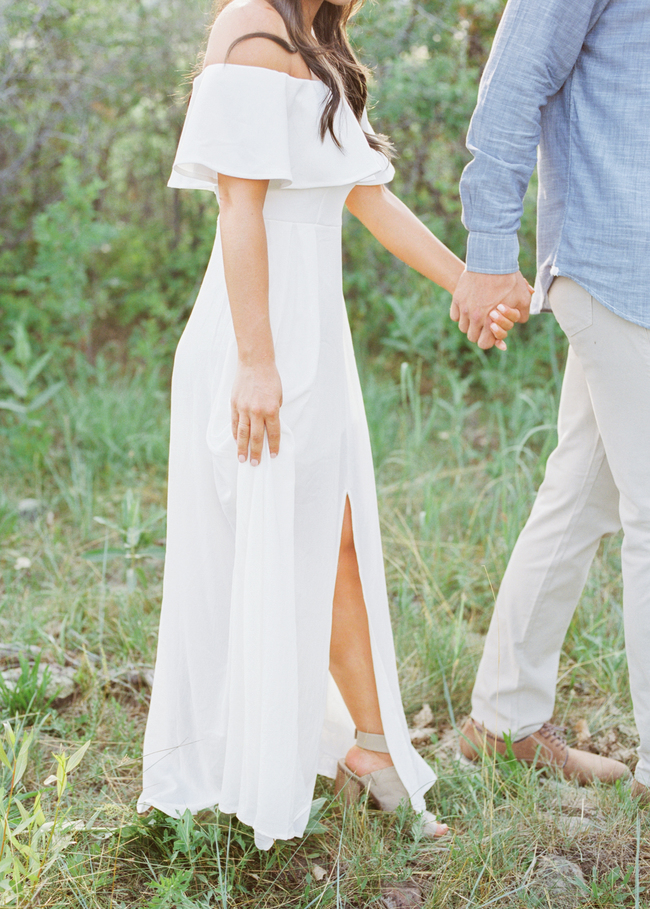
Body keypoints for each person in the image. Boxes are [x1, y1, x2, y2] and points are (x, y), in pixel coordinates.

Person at [137, 0, 518, 849]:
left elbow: (368, 202)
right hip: (258, 338)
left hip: (317, 337)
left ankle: (371, 748)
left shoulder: (320, 44)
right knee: (282, 539)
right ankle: (265, 759)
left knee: (337, 537)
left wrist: (469, 283)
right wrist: (258, 361)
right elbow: (239, 211)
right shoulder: (248, 28)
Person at [451, 0, 650, 798]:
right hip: (618, 263)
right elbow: (514, 80)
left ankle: (500, 719)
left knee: (582, 492)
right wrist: (490, 252)